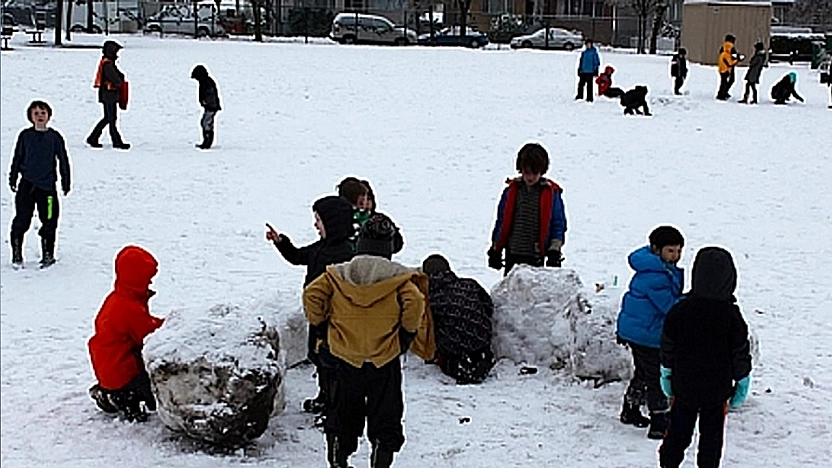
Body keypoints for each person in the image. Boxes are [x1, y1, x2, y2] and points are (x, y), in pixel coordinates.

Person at [303, 212, 426, 468]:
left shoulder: (339, 273)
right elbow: (415, 302)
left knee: (343, 410)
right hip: (384, 358)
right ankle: (381, 454)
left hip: (346, 357)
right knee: (386, 412)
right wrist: (406, 335)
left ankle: (339, 455)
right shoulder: (399, 277)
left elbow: (312, 294)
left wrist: (322, 324)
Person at [659, 246, 752, 468]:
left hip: (684, 386)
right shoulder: (732, 316)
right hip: (717, 390)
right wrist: (742, 381)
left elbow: (667, 346)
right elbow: (740, 352)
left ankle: (668, 463)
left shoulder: (680, 310)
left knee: (678, 432)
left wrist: (666, 373)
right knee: (712, 438)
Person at [266, 195, 355, 418]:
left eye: (319, 220)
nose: (315, 224)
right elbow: (297, 256)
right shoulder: (321, 247)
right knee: (320, 360)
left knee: (333, 364)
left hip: (335, 321)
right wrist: (280, 242)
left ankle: (335, 408)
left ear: (332, 223)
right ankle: (325, 398)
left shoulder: (346, 254)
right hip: (317, 318)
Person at [616, 226, 684, 439]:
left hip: (638, 330)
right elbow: (669, 306)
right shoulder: (657, 276)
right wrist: (689, 303)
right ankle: (659, 421)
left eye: (679, 251)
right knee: (655, 376)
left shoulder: (656, 269)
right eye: (671, 251)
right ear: (656, 249)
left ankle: (630, 409)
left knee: (643, 372)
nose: (676, 256)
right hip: (647, 334)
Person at [88, 245, 165, 422]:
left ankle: (109, 392)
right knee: (155, 395)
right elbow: (147, 335)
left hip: (107, 368)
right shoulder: (129, 307)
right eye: (147, 278)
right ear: (136, 278)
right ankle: (124, 398)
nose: (150, 282)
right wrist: (168, 325)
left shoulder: (117, 298)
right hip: (123, 371)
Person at [8, 100, 71, 268]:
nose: (40, 116)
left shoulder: (55, 137)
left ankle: (48, 254)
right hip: (27, 187)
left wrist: (66, 180)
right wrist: (13, 177)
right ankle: (16, 253)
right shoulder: (25, 136)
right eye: (36, 113)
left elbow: (63, 159)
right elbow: (17, 157)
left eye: (43, 113)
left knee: (50, 220)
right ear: (30, 117)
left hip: (47, 189)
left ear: (49, 116)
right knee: (22, 219)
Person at [488, 142, 567, 275]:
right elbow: (501, 221)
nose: (530, 177)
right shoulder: (511, 192)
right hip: (513, 253)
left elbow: (558, 224)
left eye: (534, 173)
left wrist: (554, 250)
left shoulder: (551, 194)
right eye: (526, 172)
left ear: (542, 171)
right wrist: (496, 249)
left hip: (536, 255)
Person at [422, 254, 494, 384]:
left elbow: (426, 325)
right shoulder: (469, 283)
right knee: (475, 345)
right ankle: (480, 357)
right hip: (481, 336)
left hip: (452, 343)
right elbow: (488, 305)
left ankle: (457, 364)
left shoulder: (430, 297)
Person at [86, 40, 130, 150]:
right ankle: (116, 141)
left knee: (108, 118)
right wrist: (120, 81)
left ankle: (94, 138)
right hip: (109, 94)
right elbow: (116, 80)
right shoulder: (108, 64)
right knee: (111, 118)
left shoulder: (107, 63)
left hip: (108, 94)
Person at [190, 64, 222, 149]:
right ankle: (206, 142)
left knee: (206, 123)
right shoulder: (205, 81)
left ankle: (207, 143)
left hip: (211, 106)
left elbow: (210, 94)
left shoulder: (206, 82)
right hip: (210, 106)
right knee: (205, 123)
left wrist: (207, 103)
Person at [716, 34, 743, 101]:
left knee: (724, 81)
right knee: (729, 80)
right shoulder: (730, 48)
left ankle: (722, 92)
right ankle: (723, 93)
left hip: (723, 66)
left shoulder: (723, 47)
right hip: (729, 66)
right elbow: (732, 58)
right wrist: (737, 59)